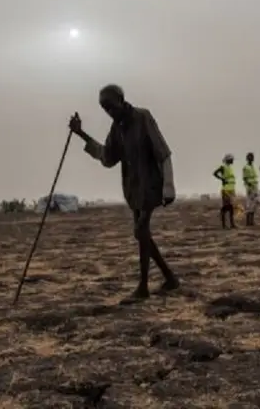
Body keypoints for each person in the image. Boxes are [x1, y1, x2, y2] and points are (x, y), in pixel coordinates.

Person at [69, 84, 180, 305]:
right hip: (133, 190)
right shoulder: (116, 129)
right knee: (142, 235)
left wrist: (169, 186)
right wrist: (81, 134)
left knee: (141, 231)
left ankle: (143, 287)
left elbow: (163, 153)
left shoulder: (142, 117)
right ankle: (169, 278)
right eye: (104, 108)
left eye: (111, 106)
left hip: (151, 186)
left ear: (121, 100)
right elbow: (107, 158)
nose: (109, 111)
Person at [213, 154, 237, 229]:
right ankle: (224, 225)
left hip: (232, 189)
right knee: (226, 207)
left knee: (231, 207)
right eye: (231, 159)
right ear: (228, 160)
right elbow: (215, 173)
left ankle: (232, 224)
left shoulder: (230, 167)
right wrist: (222, 179)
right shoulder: (223, 167)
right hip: (226, 189)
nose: (233, 160)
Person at [242, 152, 259, 226]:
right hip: (250, 187)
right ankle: (248, 222)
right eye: (250, 157)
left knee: (253, 205)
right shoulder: (246, 167)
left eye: (252, 157)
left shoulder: (252, 166)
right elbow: (245, 178)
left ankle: (251, 222)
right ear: (247, 158)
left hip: (255, 187)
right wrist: (249, 187)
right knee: (249, 205)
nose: (252, 158)